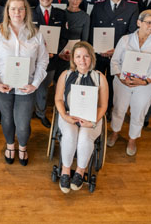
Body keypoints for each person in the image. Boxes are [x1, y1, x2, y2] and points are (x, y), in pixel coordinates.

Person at [0, 0, 49, 166]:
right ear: (7, 11)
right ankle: (10, 146)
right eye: (13, 8)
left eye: (21, 8)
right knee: (7, 119)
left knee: (22, 124)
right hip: (3, 86)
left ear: (26, 11)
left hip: (26, 87)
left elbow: (43, 61)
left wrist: (35, 84)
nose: (17, 12)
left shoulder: (35, 33)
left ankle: (22, 146)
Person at [107, 9, 151, 156]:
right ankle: (115, 132)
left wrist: (145, 81)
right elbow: (115, 61)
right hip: (123, 81)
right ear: (139, 23)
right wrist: (121, 77)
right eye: (148, 23)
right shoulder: (125, 39)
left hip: (145, 85)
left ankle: (132, 139)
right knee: (119, 109)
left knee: (139, 112)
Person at [54, 41, 108, 193]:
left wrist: (93, 122)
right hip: (70, 115)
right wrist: (64, 116)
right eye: (78, 56)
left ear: (91, 57)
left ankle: (80, 171)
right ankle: (65, 171)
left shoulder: (100, 78)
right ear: (73, 58)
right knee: (70, 135)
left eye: (86, 56)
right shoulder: (65, 75)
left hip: (92, 118)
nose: (82, 60)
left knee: (84, 137)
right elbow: (58, 99)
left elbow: (103, 105)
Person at [89, 0, 139, 116]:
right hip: (99, 54)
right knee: (96, 81)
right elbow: (92, 29)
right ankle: (93, 107)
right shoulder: (98, 6)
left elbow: (132, 32)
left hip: (119, 55)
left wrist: (117, 50)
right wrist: (96, 49)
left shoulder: (132, 7)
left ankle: (107, 109)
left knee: (113, 84)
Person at [32, 0, 67, 128]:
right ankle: (28, 112)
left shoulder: (61, 14)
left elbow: (64, 37)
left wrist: (54, 51)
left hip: (51, 60)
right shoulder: (30, 13)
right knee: (29, 86)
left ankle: (41, 113)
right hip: (32, 60)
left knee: (43, 89)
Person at [56, 0, 91, 79]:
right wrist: (59, 53)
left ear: (81, 0)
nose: (75, 1)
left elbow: (84, 40)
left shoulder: (85, 17)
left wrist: (75, 55)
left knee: (72, 78)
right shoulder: (60, 13)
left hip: (76, 53)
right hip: (60, 51)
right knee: (58, 78)